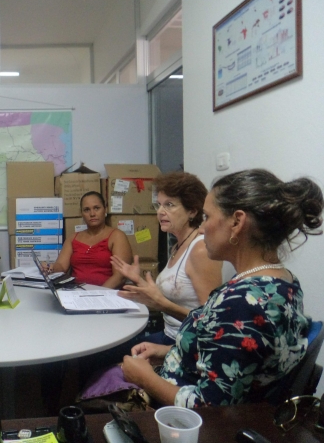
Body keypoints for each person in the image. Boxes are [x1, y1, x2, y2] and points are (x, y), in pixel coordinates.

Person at [121, 169, 323, 408]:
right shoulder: (284, 280)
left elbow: (211, 409)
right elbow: (232, 356)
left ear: (237, 222)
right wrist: (167, 351)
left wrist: (145, 378)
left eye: (207, 217)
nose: (203, 228)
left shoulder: (241, 304)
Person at [111, 171, 223, 346]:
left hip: (188, 344)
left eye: (169, 205)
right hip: (169, 335)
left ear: (192, 211)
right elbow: (171, 293)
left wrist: (161, 304)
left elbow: (210, 321)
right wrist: (137, 279)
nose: (161, 212)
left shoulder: (200, 249)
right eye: (159, 205)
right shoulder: (177, 246)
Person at [50, 191, 132, 288]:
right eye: (86, 210)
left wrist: (98, 295)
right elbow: (61, 266)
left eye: (96, 208)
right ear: (82, 213)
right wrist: (51, 268)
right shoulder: (73, 238)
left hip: (108, 296)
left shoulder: (117, 236)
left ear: (105, 210)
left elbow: (120, 276)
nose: (92, 214)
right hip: (76, 294)